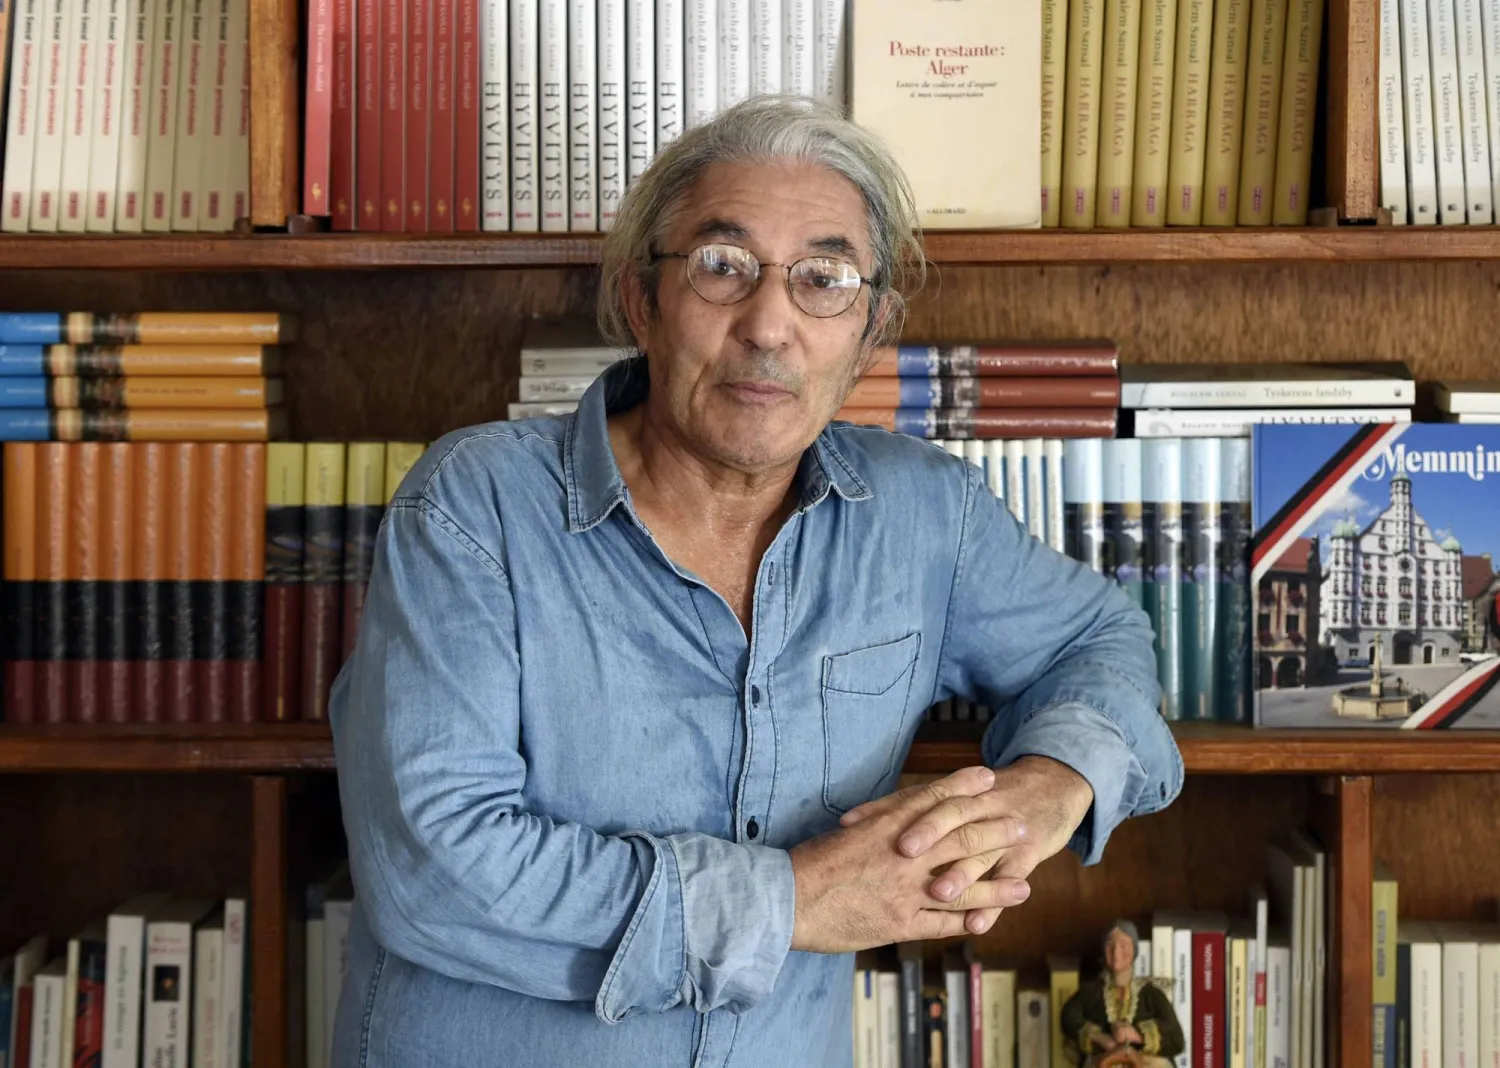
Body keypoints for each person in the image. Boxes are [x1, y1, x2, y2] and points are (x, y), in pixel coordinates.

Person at [326, 94, 1183, 1068]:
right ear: (643, 301)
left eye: (824, 279)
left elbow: (1103, 640)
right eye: (722, 266)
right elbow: (429, 872)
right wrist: (797, 900)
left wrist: (1050, 786)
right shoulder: (474, 503)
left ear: (869, 328)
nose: (769, 326)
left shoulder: (924, 516)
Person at [1060, 920, 1185, 1068]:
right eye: (1110, 945)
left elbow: (1176, 1038)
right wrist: (1099, 1038)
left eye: (1123, 945)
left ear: (1134, 950)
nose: (1116, 952)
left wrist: (1137, 1035)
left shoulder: (1151, 995)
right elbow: (1069, 1016)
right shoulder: (1092, 992)